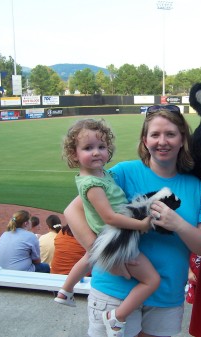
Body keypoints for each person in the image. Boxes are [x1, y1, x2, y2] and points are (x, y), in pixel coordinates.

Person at [64, 105, 201, 337]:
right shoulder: (124, 172)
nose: (162, 141)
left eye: (170, 134)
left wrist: (177, 223)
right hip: (115, 291)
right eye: (155, 134)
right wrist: (104, 255)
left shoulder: (197, 187)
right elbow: (72, 210)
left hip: (166, 296)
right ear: (145, 140)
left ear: (182, 138)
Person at [56, 118, 158, 336]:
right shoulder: (92, 184)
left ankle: (65, 290)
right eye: (88, 148)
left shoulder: (101, 175)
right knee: (151, 280)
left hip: (108, 239)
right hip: (115, 240)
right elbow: (110, 218)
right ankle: (116, 317)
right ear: (74, 154)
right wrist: (140, 224)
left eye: (101, 147)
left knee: (89, 257)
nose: (96, 153)